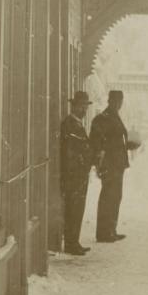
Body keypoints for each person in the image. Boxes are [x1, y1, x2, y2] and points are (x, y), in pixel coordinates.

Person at [90, 90, 140, 243]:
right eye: (116, 101)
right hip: (109, 164)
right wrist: (99, 163)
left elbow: (116, 141)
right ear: (110, 101)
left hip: (117, 164)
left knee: (115, 197)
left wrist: (128, 145)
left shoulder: (115, 117)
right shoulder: (102, 118)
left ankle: (111, 229)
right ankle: (103, 233)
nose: (118, 104)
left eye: (120, 101)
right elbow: (97, 143)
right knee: (108, 197)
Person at [59, 91, 93, 256]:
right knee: (73, 209)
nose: (85, 109)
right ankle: (71, 243)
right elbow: (71, 152)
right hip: (74, 176)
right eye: (82, 106)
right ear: (75, 106)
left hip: (79, 175)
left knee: (77, 209)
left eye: (86, 106)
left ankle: (74, 241)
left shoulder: (77, 124)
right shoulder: (70, 124)